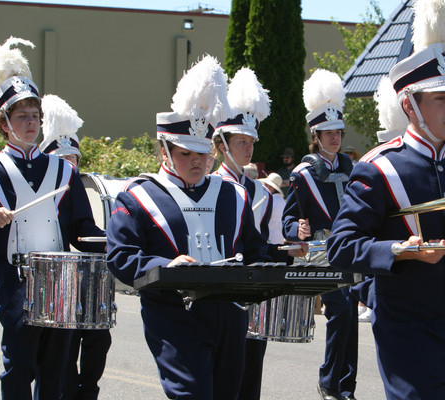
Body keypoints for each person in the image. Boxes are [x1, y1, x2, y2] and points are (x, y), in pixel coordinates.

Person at [326, 1, 445, 399]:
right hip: (408, 338)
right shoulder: (379, 168)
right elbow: (340, 247)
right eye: (440, 99)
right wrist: (398, 250)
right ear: (410, 104)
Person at [106, 56, 274, 399]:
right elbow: (121, 257)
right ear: (165, 150)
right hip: (173, 314)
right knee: (193, 393)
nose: (197, 161)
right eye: (186, 153)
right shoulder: (138, 196)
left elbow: (254, 251)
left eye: (202, 153)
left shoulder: (233, 194)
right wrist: (165, 266)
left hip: (229, 315)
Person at [0, 37, 104, 399]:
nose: (31, 123)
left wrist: (106, 242)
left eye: (35, 116)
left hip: (60, 279)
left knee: (56, 368)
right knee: (19, 364)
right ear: (4, 124)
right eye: (22, 117)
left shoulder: (62, 171)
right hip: (15, 280)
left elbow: (81, 227)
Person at [212, 67, 304, 400]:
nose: (248, 149)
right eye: (241, 142)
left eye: (251, 142)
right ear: (223, 145)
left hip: (253, 293)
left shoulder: (262, 192)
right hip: (218, 293)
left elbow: (260, 247)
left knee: (251, 376)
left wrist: (285, 252)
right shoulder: (209, 188)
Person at [283, 68, 359, 400]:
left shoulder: (351, 168)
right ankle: (329, 382)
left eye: (338, 132)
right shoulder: (303, 174)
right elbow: (288, 220)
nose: (334, 138)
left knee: (351, 313)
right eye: (327, 132)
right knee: (341, 308)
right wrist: (294, 229)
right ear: (317, 134)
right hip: (319, 251)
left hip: (350, 248)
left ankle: (346, 386)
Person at [39, 94, 112, 400]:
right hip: (49, 277)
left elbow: (83, 228)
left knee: (99, 336)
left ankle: (87, 392)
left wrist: (112, 241)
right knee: (61, 350)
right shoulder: (42, 187)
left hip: (81, 273)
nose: (70, 165)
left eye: (73, 160)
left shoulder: (77, 185)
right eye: (63, 159)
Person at [259, 172, 286, 244]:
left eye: (265, 184)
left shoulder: (270, 200)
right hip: (280, 239)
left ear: (271, 187)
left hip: (269, 239)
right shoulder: (282, 200)